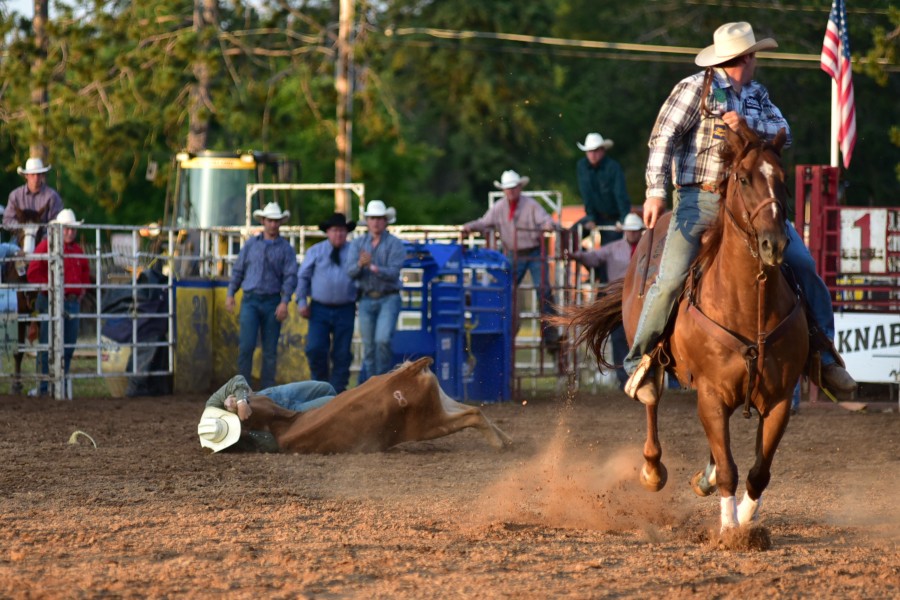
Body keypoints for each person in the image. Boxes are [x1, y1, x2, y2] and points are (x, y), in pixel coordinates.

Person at [623, 22, 857, 405]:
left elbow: (784, 132)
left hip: (751, 201)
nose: (755, 63)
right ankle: (641, 362)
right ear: (744, 58)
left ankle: (823, 356)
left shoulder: (756, 95)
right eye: (753, 57)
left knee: (801, 263)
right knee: (669, 279)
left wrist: (748, 125)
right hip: (699, 200)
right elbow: (662, 138)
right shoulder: (692, 91)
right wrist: (654, 192)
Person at [461, 170, 560, 350]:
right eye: (508, 189)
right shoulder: (499, 207)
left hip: (533, 252)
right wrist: (471, 226)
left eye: (513, 188)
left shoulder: (530, 205)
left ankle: (550, 335)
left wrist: (548, 225)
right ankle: (506, 328)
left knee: (544, 289)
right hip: (513, 253)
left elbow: (544, 219)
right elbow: (484, 222)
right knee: (505, 290)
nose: (511, 191)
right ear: (504, 190)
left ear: (519, 188)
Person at [225, 202, 298, 390]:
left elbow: (290, 277)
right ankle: (243, 389)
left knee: (269, 351)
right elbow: (238, 270)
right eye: (270, 221)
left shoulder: (285, 249)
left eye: (276, 221)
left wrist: (284, 302)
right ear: (264, 221)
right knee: (247, 347)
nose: (273, 224)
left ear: (279, 223)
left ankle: (267, 391)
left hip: (272, 300)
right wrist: (231, 292)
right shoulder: (251, 245)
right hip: (251, 299)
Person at [571, 212, 645, 387]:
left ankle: (641, 377)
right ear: (625, 231)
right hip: (618, 299)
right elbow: (594, 257)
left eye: (635, 230)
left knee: (641, 337)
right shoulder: (614, 248)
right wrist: (578, 255)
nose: (632, 233)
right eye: (630, 230)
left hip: (640, 297)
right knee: (619, 337)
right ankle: (624, 379)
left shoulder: (648, 247)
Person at [26, 209, 91, 397]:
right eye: (66, 229)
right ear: (59, 229)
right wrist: (51, 288)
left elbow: (85, 273)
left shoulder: (77, 251)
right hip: (49, 300)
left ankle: (59, 383)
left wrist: (81, 289)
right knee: (47, 344)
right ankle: (44, 386)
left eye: (72, 229)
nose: (69, 232)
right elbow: (33, 272)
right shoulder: (46, 245)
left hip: (71, 301)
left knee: (68, 345)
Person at [296, 213, 358, 393]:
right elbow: (303, 276)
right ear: (328, 232)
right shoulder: (316, 251)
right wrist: (301, 302)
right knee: (315, 348)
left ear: (346, 233)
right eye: (334, 230)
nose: (338, 234)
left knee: (342, 353)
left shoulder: (354, 252)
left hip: (345, 307)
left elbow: (361, 276)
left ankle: (337, 391)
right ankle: (320, 386)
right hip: (319, 308)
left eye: (342, 231)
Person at [198, 374, 336, 453]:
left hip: (276, 395)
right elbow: (270, 444)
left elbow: (238, 380)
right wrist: (247, 432)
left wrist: (241, 401)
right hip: (284, 419)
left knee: (326, 388)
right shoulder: (236, 443)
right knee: (332, 402)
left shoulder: (213, 404)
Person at [346, 200, 406, 382]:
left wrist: (371, 267)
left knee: (382, 340)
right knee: (369, 346)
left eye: (379, 218)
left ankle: (380, 383)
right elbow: (350, 271)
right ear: (367, 220)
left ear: (386, 221)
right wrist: (360, 265)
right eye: (372, 218)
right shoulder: (357, 244)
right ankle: (375, 385)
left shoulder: (395, 244)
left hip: (388, 297)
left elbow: (394, 273)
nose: (376, 222)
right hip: (366, 298)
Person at [572, 132, 632, 244]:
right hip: (595, 216)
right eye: (589, 151)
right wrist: (591, 217)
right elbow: (586, 194)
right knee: (569, 239)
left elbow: (620, 194)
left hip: (613, 218)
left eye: (595, 150)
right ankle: (585, 259)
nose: (592, 154)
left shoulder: (613, 167)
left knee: (610, 251)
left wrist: (623, 219)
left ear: (603, 150)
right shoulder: (582, 166)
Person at [4, 157, 63, 228]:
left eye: (38, 174)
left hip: (44, 237)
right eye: (32, 174)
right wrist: (22, 228)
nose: (36, 178)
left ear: (42, 175)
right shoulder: (15, 195)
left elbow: (56, 221)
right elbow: (7, 220)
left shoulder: (52, 196)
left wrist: (41, 231)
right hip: (20, 237)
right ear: (26, 175)